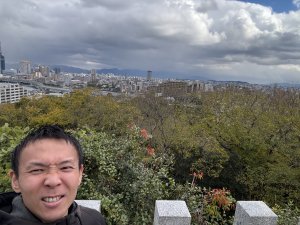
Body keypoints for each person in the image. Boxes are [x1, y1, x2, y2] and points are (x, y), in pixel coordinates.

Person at [0, 125, 106, 225]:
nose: (53, 181)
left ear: (80, 174)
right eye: (37, 170)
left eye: (65, 167)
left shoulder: (94, 219)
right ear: (15, 181)